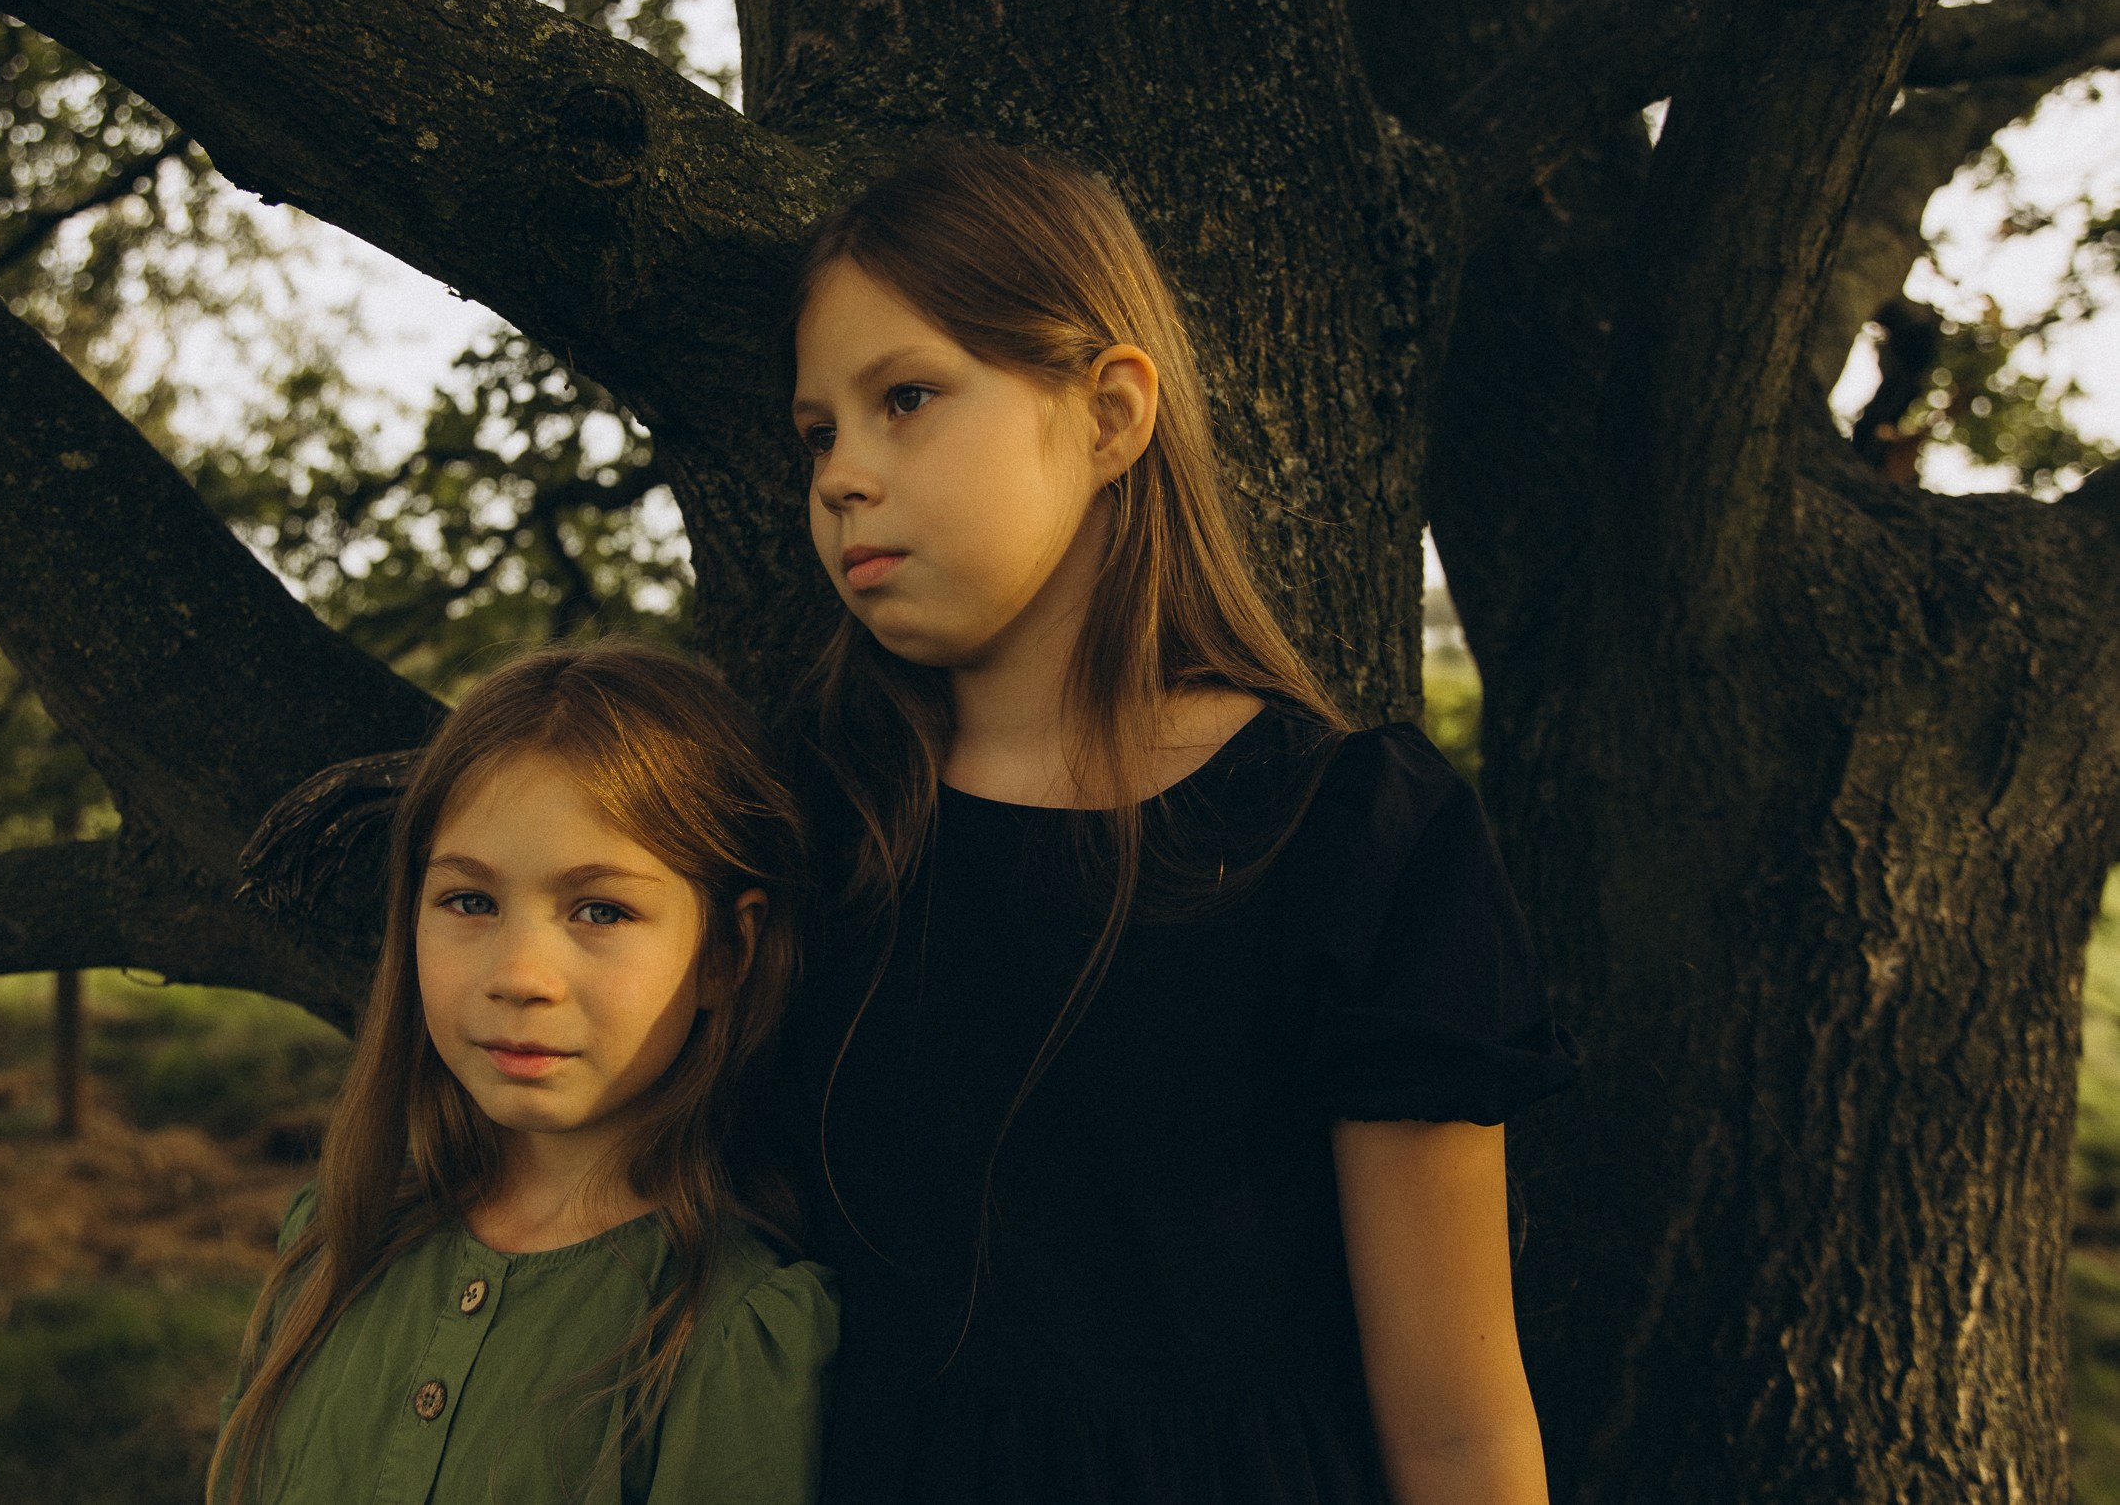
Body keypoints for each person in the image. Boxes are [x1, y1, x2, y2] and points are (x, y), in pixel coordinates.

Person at [780, 139, 1581, 1505]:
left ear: (1107, 415)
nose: (844, 474)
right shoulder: (812, 824)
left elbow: (1456, 1426)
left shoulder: (1356, 836)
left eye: (906, 397)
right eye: (818, 433)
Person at [208, 639, 838, 1505]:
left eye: (601, 909)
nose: (520, 976)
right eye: (470, 900)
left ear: (726, 951)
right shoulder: (335, 1238)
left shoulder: (728, 1327)